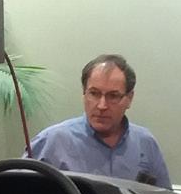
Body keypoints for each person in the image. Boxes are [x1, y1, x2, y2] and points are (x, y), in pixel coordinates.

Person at [28, 54, 171, 186]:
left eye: (113, 96)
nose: (102, 106)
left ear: (129, 98)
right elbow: (20, 193)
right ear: (84, 94)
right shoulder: (52, 141)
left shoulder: (146, 143)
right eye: (94, 94)